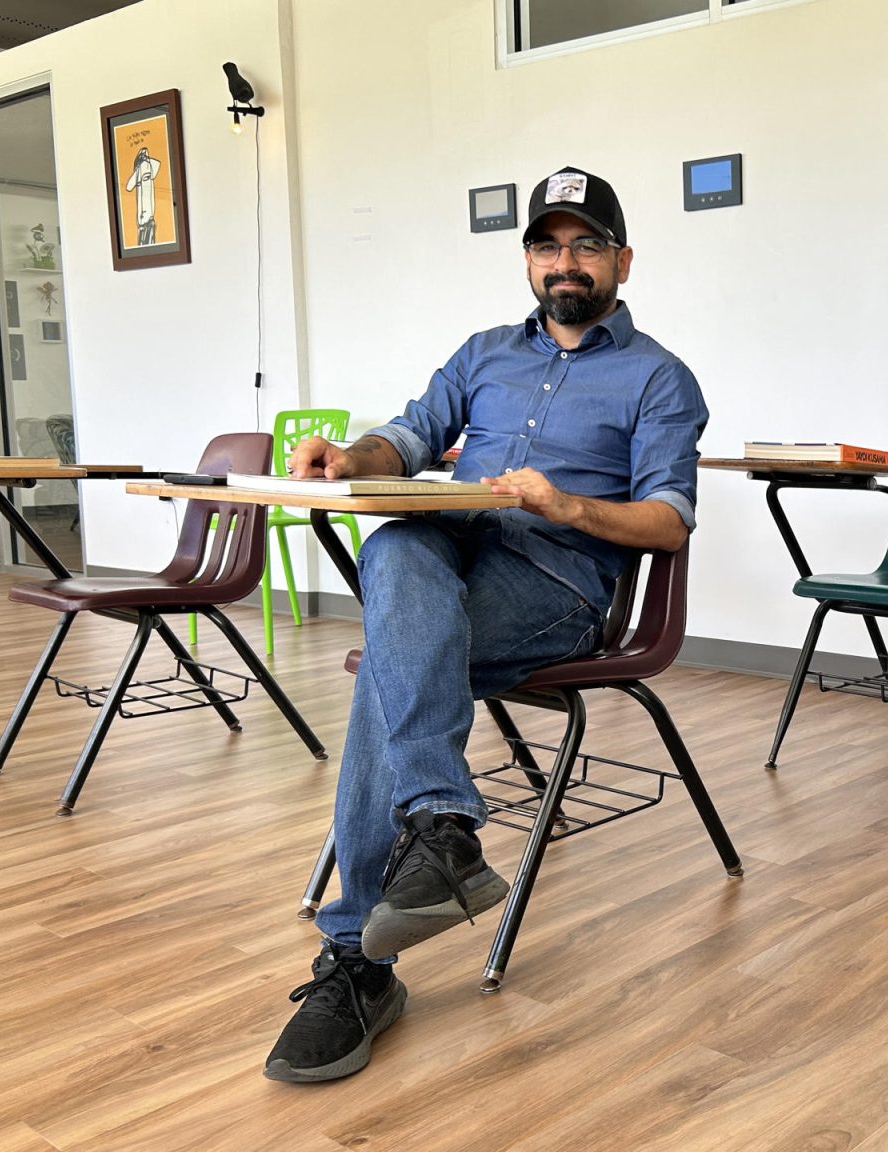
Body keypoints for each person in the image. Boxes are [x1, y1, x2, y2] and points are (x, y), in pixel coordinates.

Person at [264, 167, 707, 1083]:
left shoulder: (660, 378)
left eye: (586, 245)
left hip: (556, 585)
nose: (565, 263)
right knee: (393, 552)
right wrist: (351, 456)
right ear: (530, 262)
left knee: (397, 650)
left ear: (622, 259)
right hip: (450, 559)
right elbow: (411, 438)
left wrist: (570, 507)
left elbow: (668, 520)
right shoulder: (482, 353)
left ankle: (359, 960)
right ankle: (441, 825)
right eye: (547, 246)